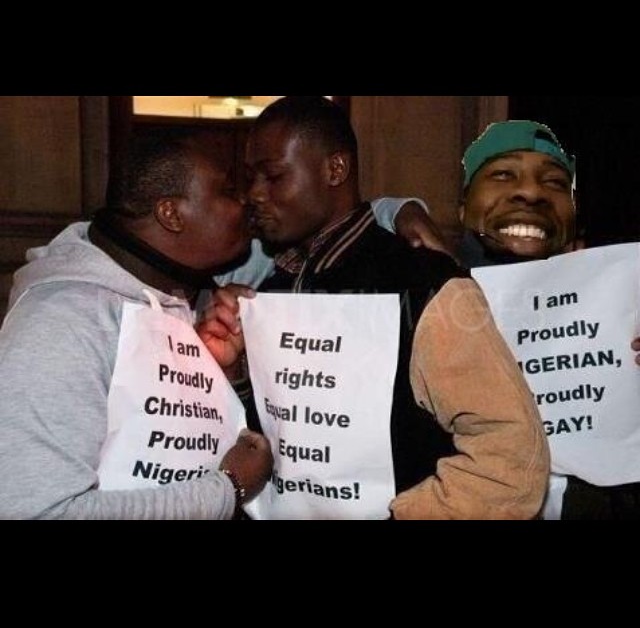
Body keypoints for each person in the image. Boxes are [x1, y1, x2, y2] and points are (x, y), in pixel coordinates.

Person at [198, 96, 550, 519]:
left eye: (273, 176)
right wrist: (237, 375)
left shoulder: (421, 281)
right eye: (251, 177)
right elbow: (281, 437)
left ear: (335, 170)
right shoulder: (271, 289)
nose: (255, 193)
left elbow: (511, 458)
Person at [0, 128, 274, 520]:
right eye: (228, 190)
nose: (245, 201)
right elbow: (40, 512)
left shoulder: (189, 297)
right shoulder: (60, 323)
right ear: (171, 214)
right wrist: (228, 487)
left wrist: (228, 376)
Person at [457, 119, 640, 519]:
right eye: (503, 174)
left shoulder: (628, 307)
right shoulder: (415, 300)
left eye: (556, 182)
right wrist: (399, 211)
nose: (531, 192)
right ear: (462, 207)